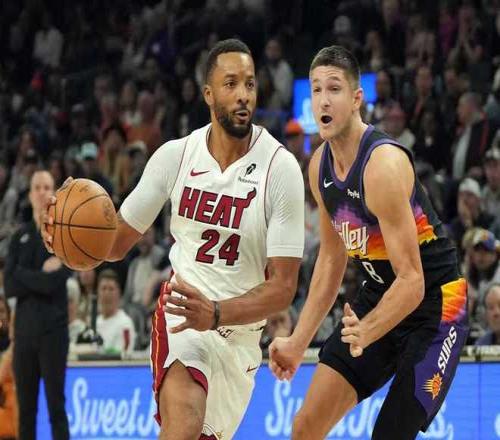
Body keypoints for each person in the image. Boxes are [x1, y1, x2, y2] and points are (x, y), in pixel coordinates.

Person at [42, 39, 305, 440]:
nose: (243, 95)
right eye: (231, 84)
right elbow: (115, 244)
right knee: (184, 423)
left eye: (250, 84)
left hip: (240, 337)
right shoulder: (176, 156)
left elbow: (284, 288)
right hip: (182, 319)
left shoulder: (279, 168)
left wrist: (216, 313)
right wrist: (65, 238)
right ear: (208, 94)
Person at [269, 45, 468, 440]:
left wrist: (369, 329)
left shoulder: (383, 166)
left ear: (357, 98)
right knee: (305, 427)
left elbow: (413, 281)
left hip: (437, 305)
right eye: (316, 89)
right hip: (380, 296)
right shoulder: (319, 167)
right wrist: (297, 341)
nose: (323, 100)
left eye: (334, 88)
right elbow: (331, 260)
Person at [5, 170, 71, 440]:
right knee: (26, 410)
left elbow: (56, 281)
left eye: (46, 187)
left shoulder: (66, 235)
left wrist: (23, 275)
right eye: (37, 187)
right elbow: (9, 285)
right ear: (30, 194)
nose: (42, 192)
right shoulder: (18, 236)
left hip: (54, 333)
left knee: (56, 406)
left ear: (53, 192)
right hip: (23, 334)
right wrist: (41, 275)